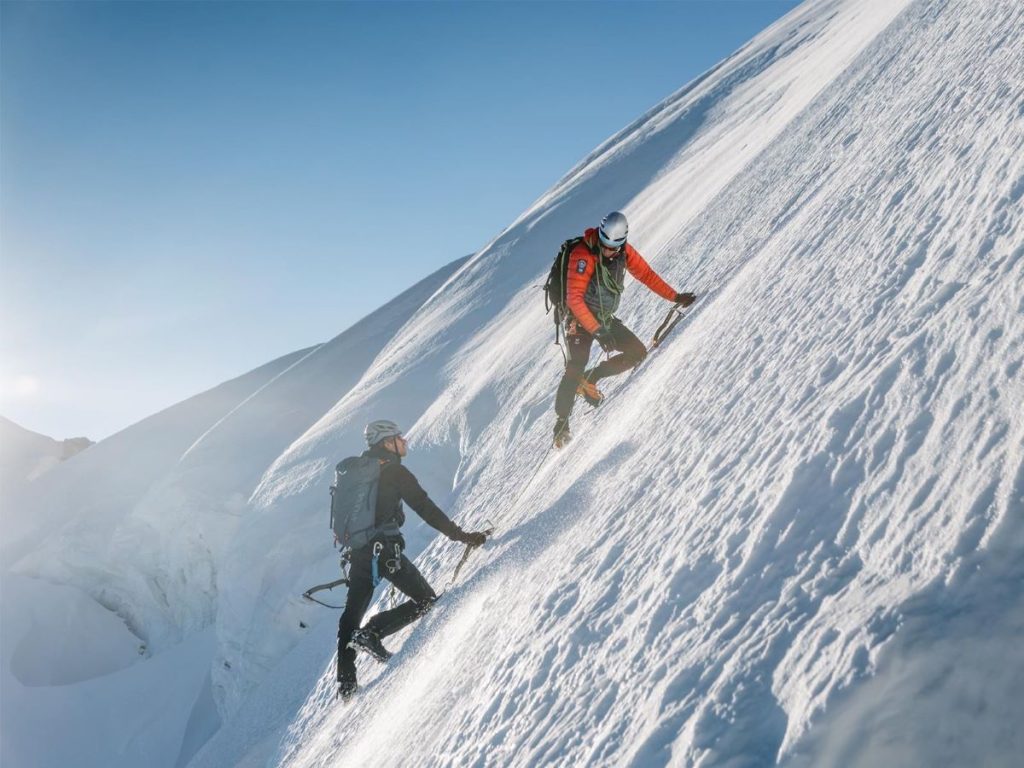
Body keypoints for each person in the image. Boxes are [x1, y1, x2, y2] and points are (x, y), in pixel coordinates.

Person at [336, 419, 488, 699]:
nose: (404, 441)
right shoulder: (394, 471)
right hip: (384, 551)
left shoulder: (358, 472)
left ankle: (346, 683)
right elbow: (425, 508)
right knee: (425, 600)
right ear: (387, 443)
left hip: (358, 553)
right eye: (399, 437)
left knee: (351, 614)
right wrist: (461, 536)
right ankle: (372, 633)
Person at [553, 211, 695, 448]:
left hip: (603, 318)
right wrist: (598, 331)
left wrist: (675, 296)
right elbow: (574, 298)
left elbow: (646, 274)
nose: (607, 250)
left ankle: (590, 379)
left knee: (637, 353)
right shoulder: (583, 254)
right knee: (575, 364)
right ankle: (561, 425)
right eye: (604, 244)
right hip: (579, 320)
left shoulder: (625, 252)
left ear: (621, 243)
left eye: (612, 248)